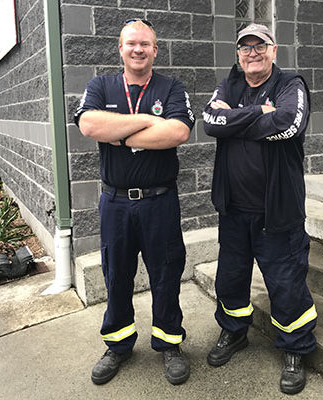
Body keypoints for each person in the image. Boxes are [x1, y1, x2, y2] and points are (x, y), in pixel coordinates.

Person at [74, 19, 195, 386]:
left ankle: (169, 342)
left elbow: (178, 132)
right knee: (117, 274)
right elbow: (89, 126)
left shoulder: (171, 87)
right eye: (131, 43)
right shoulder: (100, 85)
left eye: (145, 44)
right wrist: (145, 122)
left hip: (160, 201)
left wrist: (120, 133)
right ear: (121, 49)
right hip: (115, 203)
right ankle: (118, 345)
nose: (138, 49)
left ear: (155, 50)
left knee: (166, 273)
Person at [202, 23, 316, 395]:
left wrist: (235, 118)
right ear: (238, 54)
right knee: (230, 279)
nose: (252, 53)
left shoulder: (290, 84)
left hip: (277, 211)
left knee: (286, 283)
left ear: (273, 50)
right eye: (245, 47)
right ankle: (235, 332)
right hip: (233, 210)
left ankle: (295, 347)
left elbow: (288, 123)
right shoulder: (229, 84)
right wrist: (257, 113)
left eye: (260, 46)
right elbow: (210, 123)